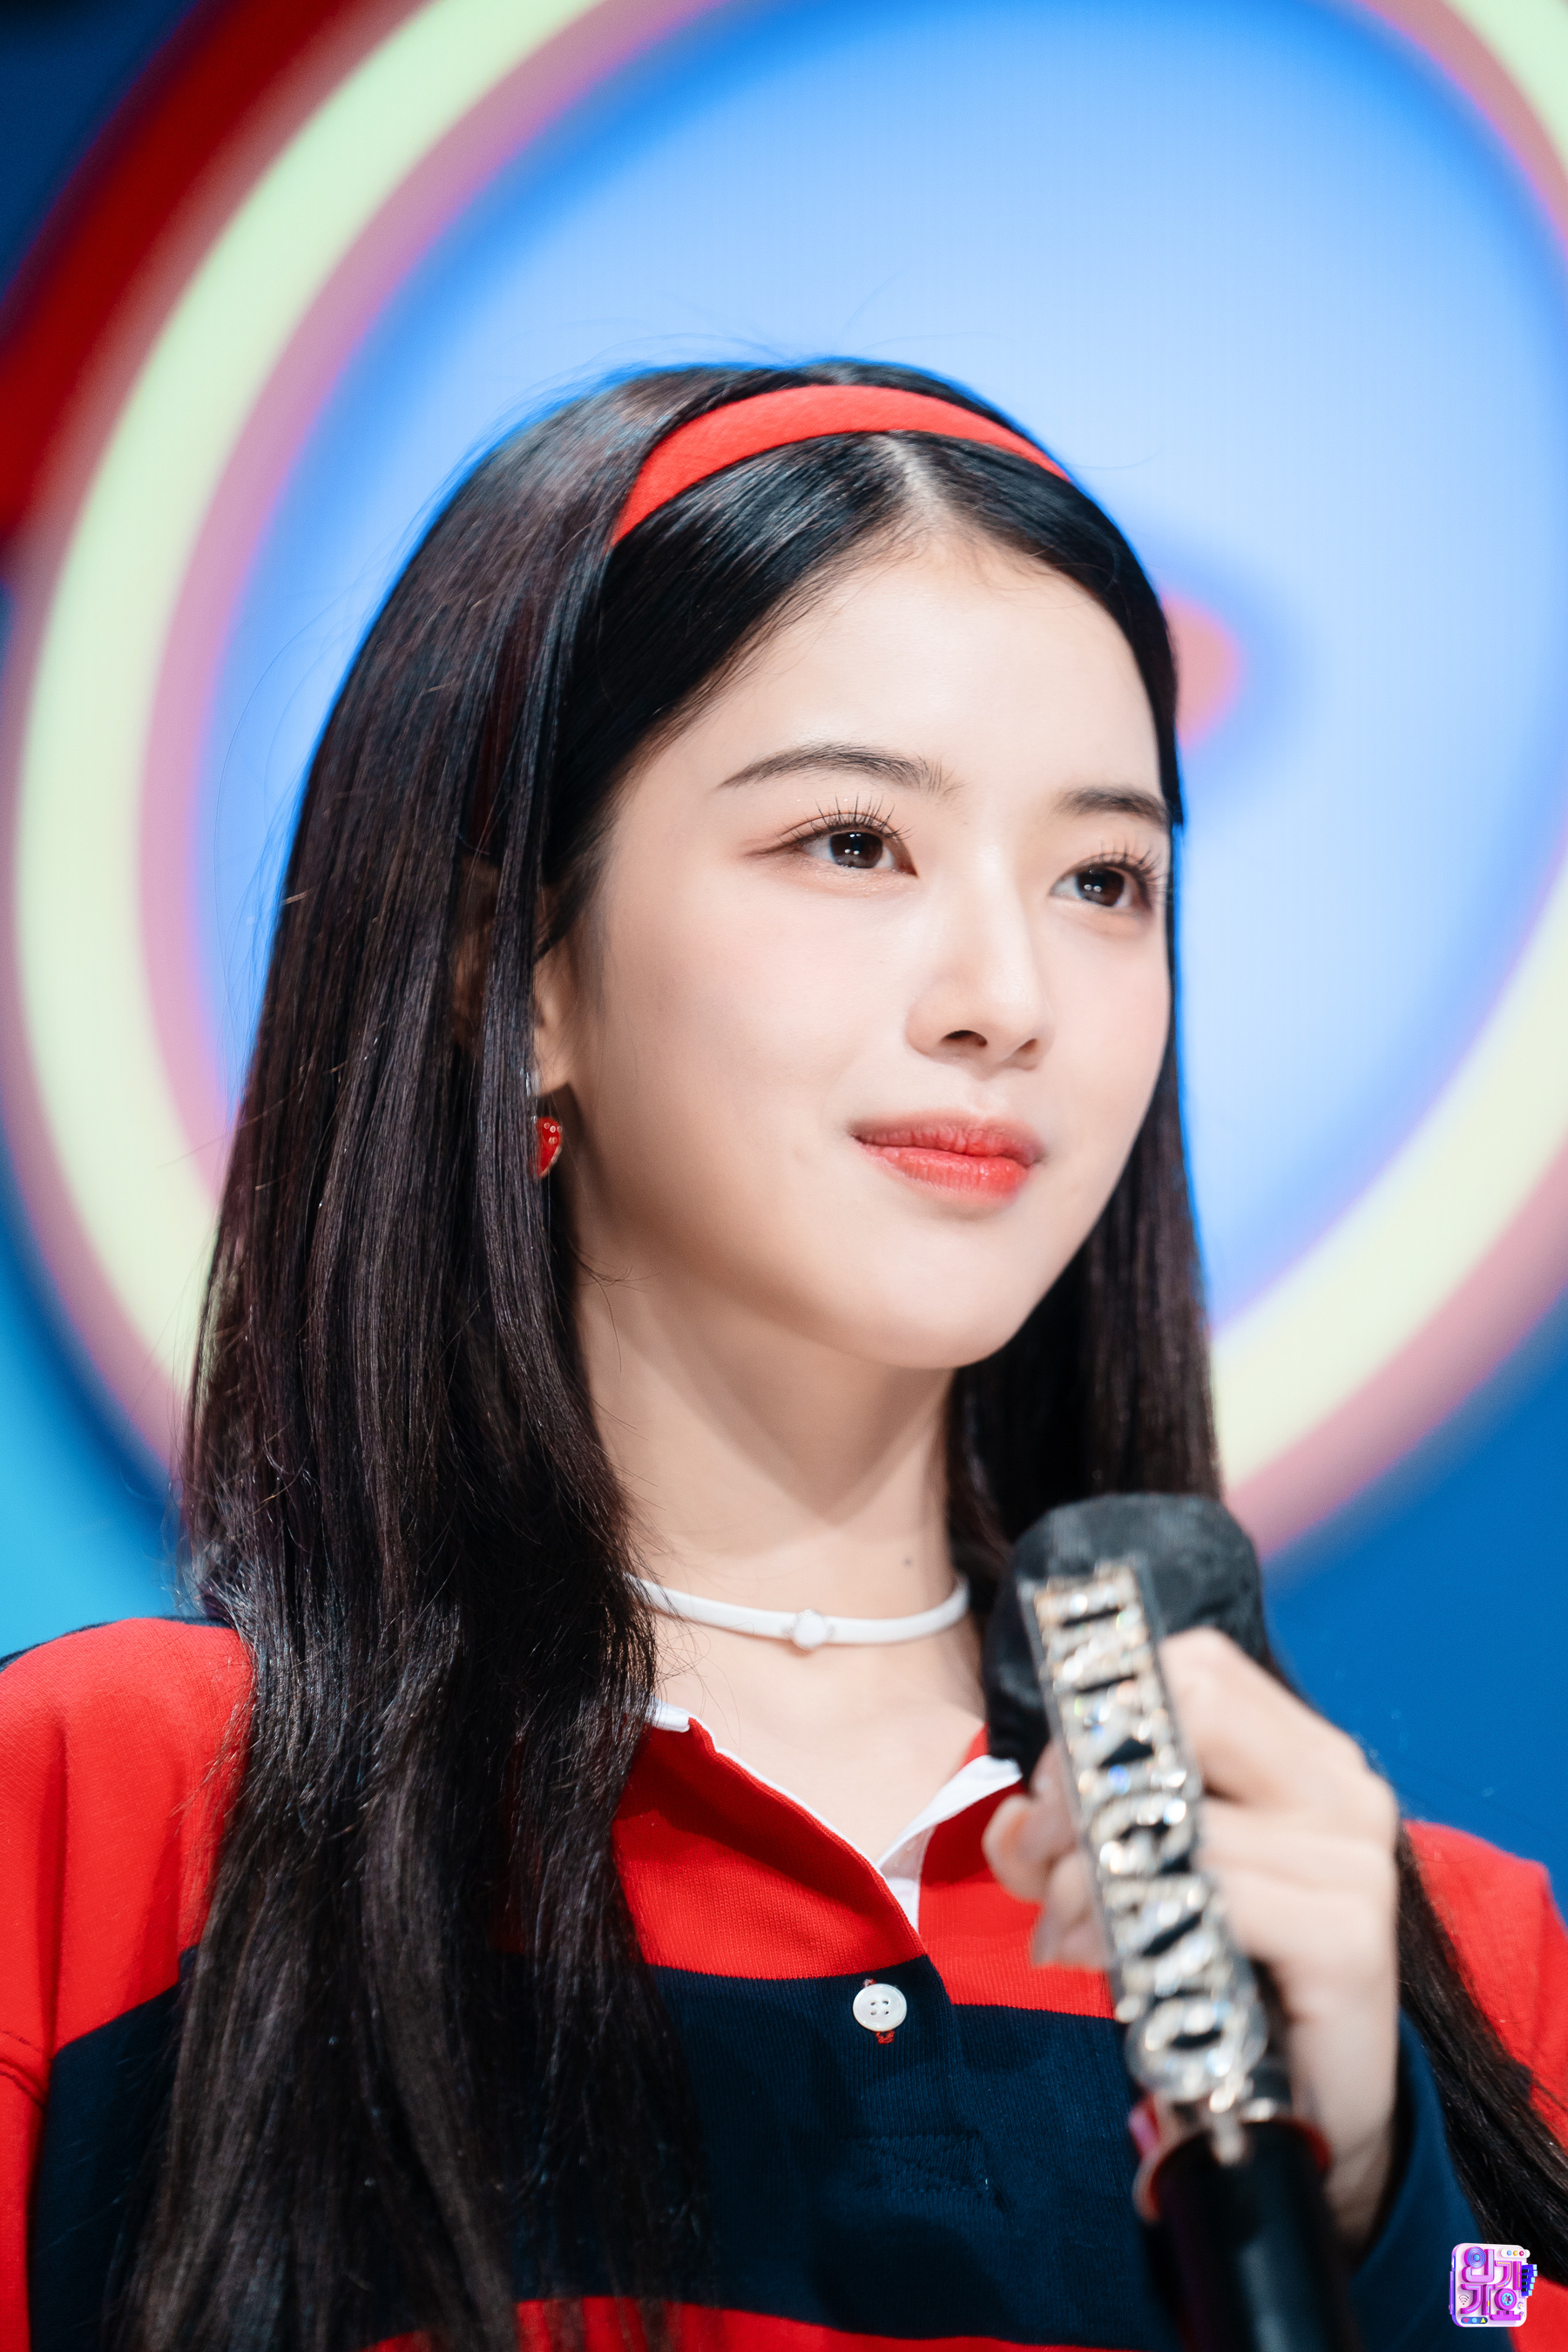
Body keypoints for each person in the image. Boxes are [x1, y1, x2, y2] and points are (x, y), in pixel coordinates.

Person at [3, 362, 1566, 2352]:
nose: (1008, 995)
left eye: (1104, 880)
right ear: (515, 974)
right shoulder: (108, 1823)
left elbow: (1500, 2293)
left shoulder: (1428, 1956)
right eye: (852, 842)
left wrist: (1375, 2214)